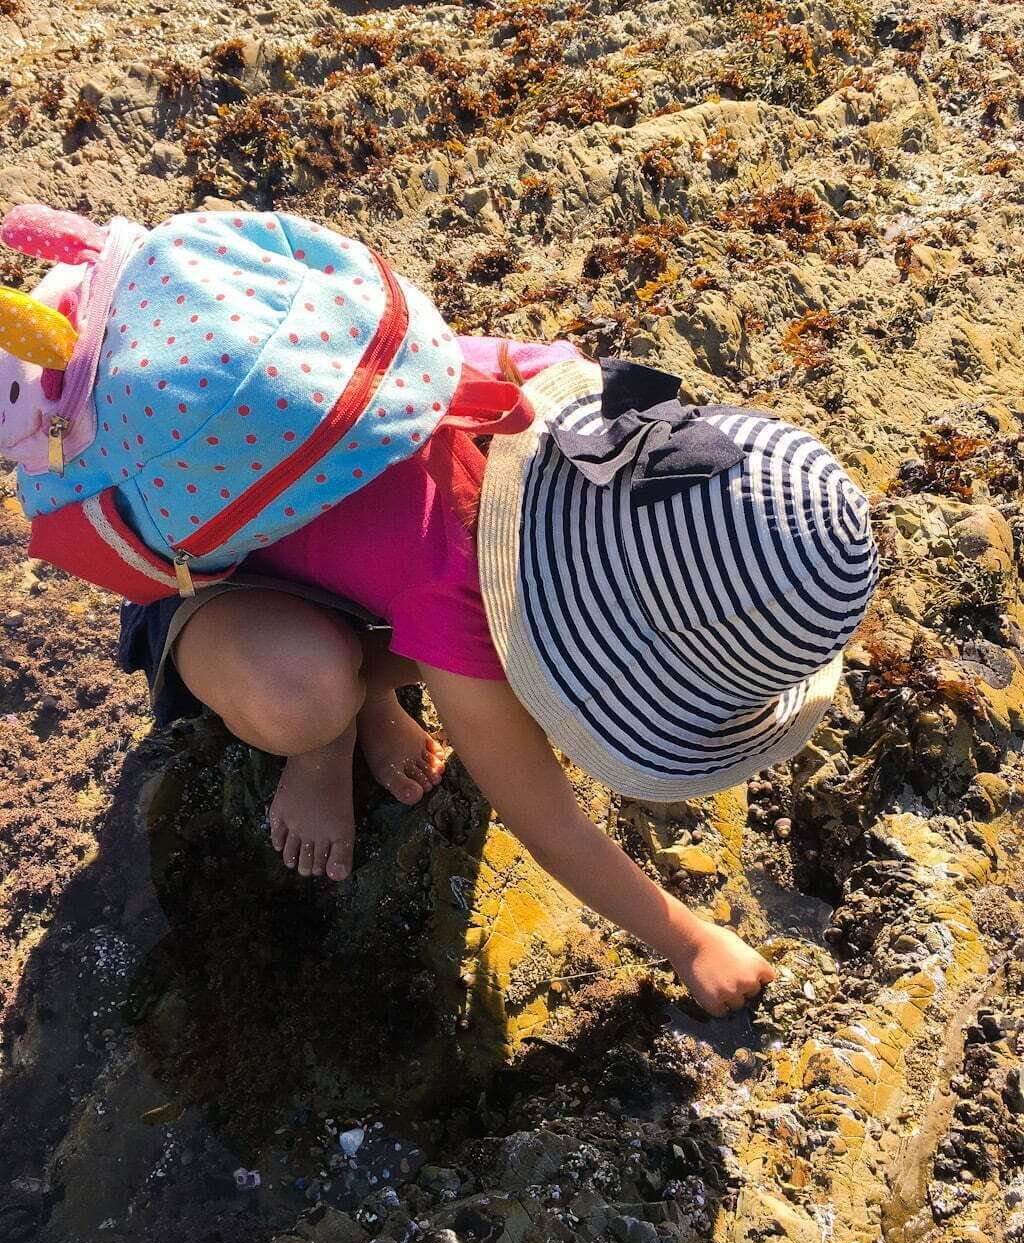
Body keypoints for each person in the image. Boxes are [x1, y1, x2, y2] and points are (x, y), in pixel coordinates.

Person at [119, 338, 879, 1017]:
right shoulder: (466, 590)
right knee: (304, 698)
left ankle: (367, 678)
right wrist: (688, 942)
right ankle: (329, 734)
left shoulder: (560, 398)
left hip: (322, 538)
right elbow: (550, 825)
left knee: (445, 635)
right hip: (196, 572)